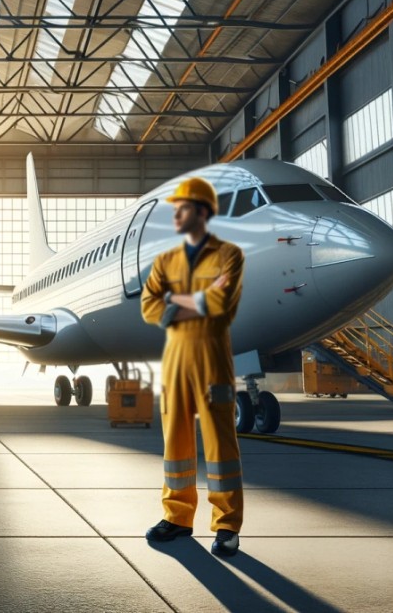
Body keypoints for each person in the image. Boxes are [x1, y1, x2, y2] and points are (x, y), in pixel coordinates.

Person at [139, 176, 246, 558]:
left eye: (181, 208)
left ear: (201, 212)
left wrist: (175, 301)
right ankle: (178, 517)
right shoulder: (164, 261)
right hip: (176, 362)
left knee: (220, 447)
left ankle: (227, 526)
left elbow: (222, 303)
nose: (176, 215)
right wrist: (195, 299)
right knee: (176, 447)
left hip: (212, 362)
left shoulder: (230, 255)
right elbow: (151, 307)